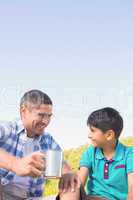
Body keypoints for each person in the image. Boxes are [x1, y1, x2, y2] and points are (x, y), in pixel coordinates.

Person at [0, 89, 70, 199]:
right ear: (23, 111)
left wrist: (68, 175)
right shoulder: (8, 129)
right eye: (41, 115)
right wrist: (15, 164)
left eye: (49, 116)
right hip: (3, 193)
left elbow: (62, 167)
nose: (45, 121)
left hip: (30, 197)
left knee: (72, 187)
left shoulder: (47, 140)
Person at [58, 107, 133, 200]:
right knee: (70, 185)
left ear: (109, 135)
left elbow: (132, 189)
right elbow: (80, 181)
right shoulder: (90, 152)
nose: (89, 135)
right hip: (92, 198)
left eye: (93, 131)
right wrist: (70, 180)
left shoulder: (129, 154)